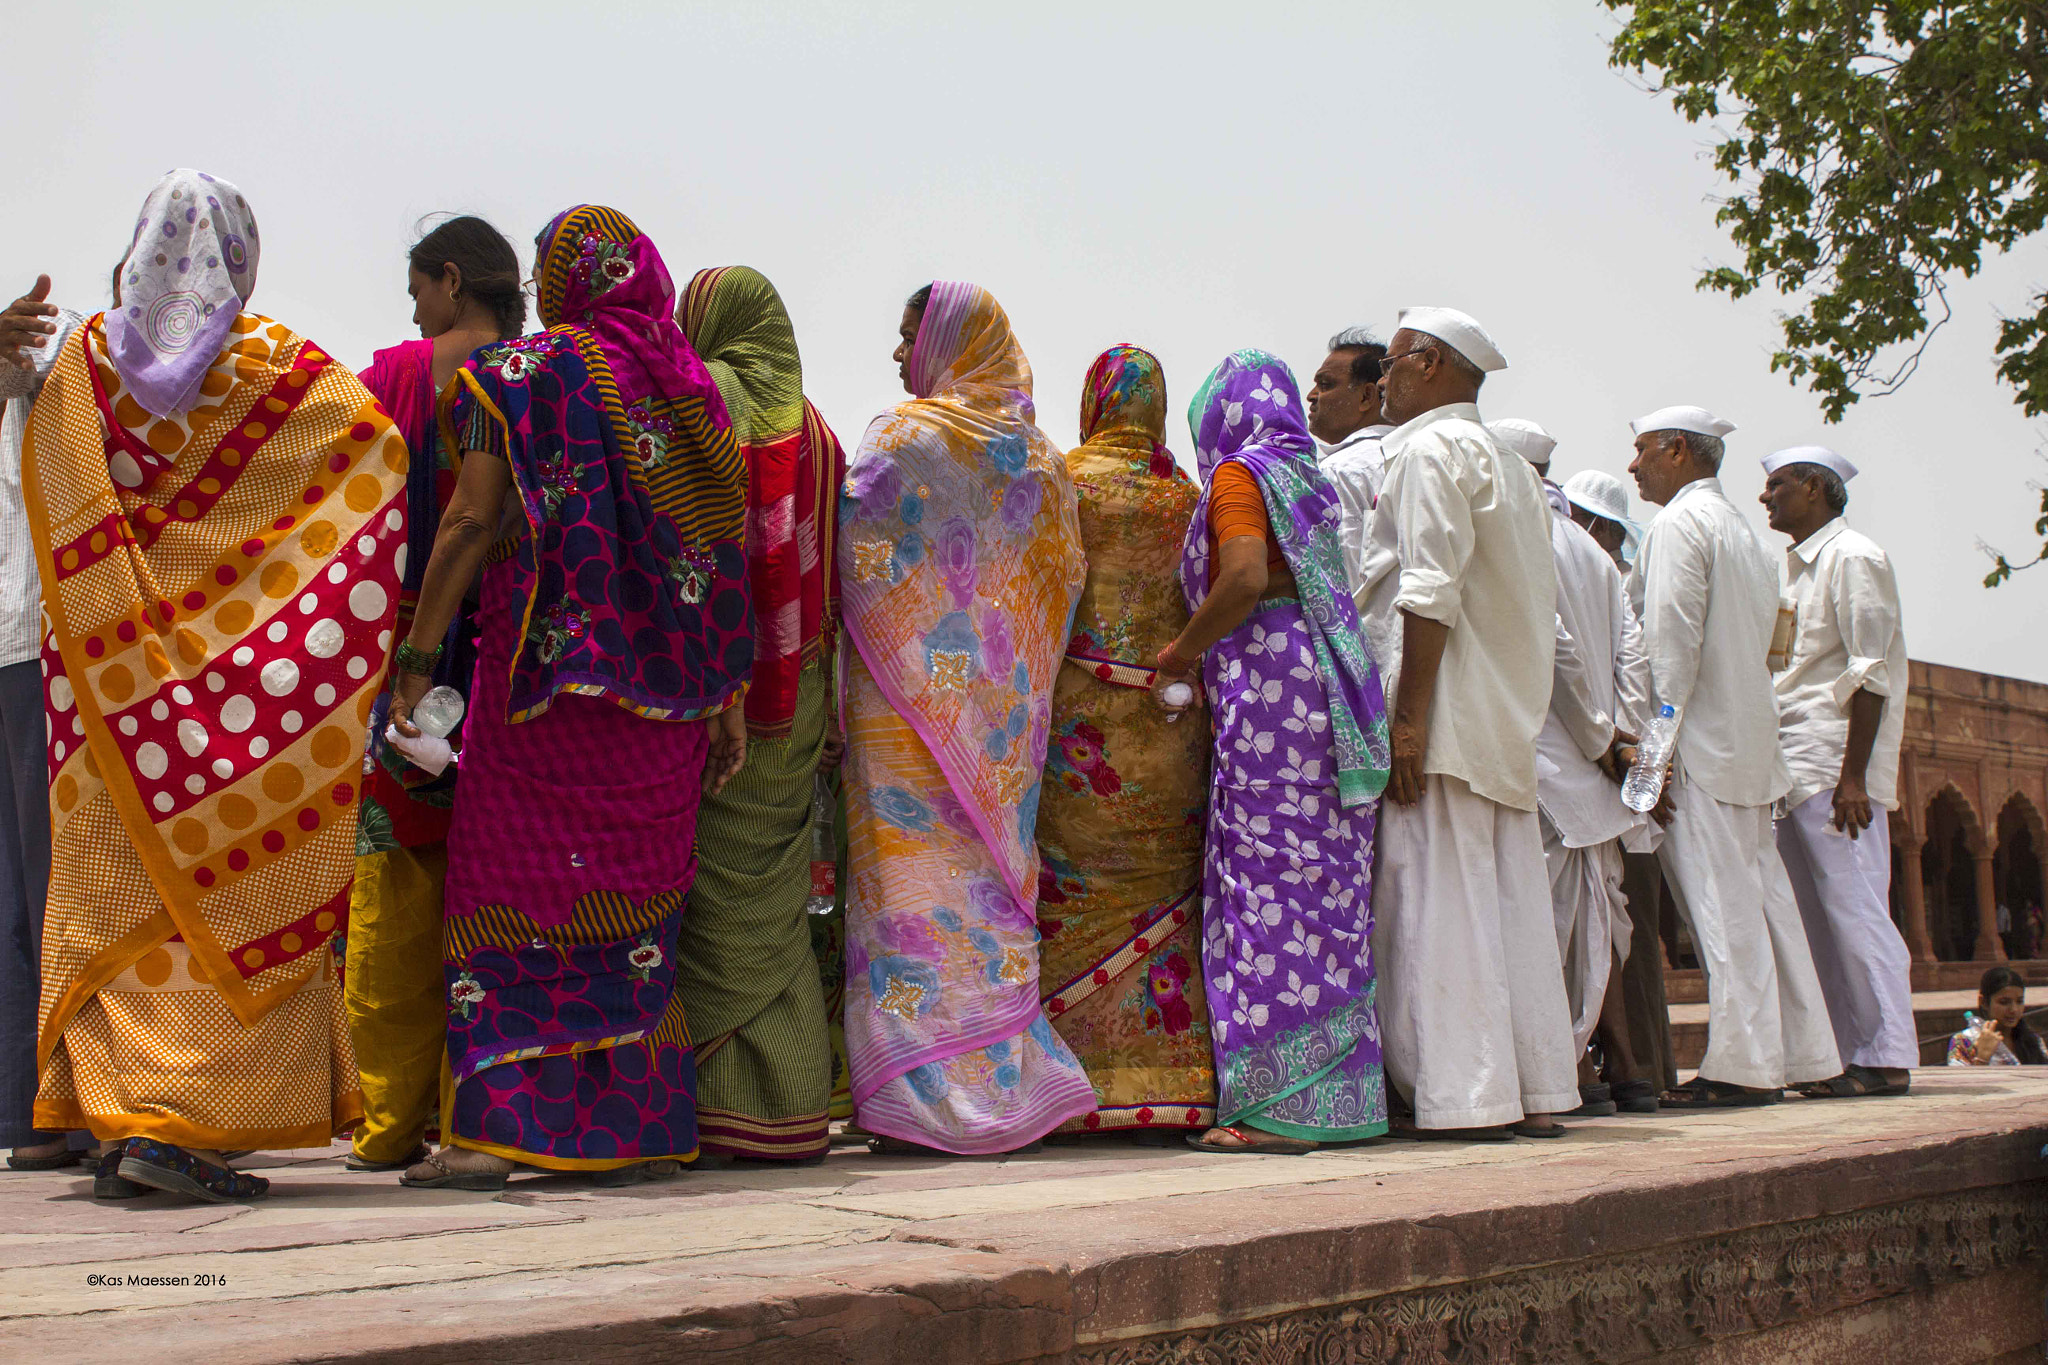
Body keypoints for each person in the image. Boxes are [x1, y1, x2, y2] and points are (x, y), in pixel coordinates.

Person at [25, 169, 405, 1202]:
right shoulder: (282, 373)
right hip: (247, 722)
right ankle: (179, 1133)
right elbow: (374, 464)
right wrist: (259, 627)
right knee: (227, 892)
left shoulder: (80, 370)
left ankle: (122, 1124)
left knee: (117, 902)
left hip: (104, 709)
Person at [388, 205, 751, 1191]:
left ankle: (487, 1134)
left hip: (541, 700)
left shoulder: (516, 378)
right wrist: (724, 698)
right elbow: (716, 549)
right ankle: (627, 1130)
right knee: (631, 915)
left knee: (507, 893)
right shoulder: (695, 400)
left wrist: (416, 662)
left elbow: (468, 522)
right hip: (664, 715)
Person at [838, 280, 1096, 1155]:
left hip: (901, 716)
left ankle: (915, 1099)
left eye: (909, 334)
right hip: (1001, 728)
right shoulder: (1046, 460)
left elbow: (854, 544)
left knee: (904, 899)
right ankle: (1003, 1084)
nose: (898, 354)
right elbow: (1060, 583)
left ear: (946, 341)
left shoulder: (903, 436)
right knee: (982, 898)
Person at [1149, 350, 1390, 1154]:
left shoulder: (1240, 477)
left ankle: (1275, 1109)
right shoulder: (1309, 476)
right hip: (1322, 688)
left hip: (1271, 693)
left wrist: (1182, 651)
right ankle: (1338, 1098)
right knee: (1322, 892)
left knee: (1265, 886)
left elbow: (1246, 576)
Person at [1356, 308, 1579, 1141]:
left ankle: (1465, 1095)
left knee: (1437, 909)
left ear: (1435, 363)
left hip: (1444, 718)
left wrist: (1406, 723)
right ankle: (1535, 1088)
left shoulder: (1424, 450)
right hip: (1500, 721)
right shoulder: (1513, 469)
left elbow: (1427, 590)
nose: (1385, 379)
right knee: (1509, 909)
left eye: (1397, 362)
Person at [342, 216, 524, 1175]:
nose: (412, 311)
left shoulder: (399, 378)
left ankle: (389, 1122)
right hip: (517, 666)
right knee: (493, 889)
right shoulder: (545, 377)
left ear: (452, 281)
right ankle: (482, 1113)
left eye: (417, 289)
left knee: (393, 887)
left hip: (414, 658)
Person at [673, 265, 847, 1164]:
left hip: (721, 685)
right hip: (804, 687)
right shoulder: (817, 431)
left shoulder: (699, 405)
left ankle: (713, 1104)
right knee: (775, 899)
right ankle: (788, 1107)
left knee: (708, 892)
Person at [1627, 406, 1839, 1107]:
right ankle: (1809, 1054)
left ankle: (1744, 1066)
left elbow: (1670, 646)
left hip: (1703, 746)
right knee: (1769, 906)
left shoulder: (1681, 525)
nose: (1634, 466)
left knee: (1722, 908)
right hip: (1750, 745)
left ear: (1678, 450)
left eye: (1643, 450)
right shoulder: (1742, 534)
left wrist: (1653, 755)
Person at [1037, 344, 1217, 1140]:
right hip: (1173, 734)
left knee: (1073, 889)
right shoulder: (1186, 494)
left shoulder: (1062, 482)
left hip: (1082, 736)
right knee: (1160, 889)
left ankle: (1069, 1080)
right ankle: (1175, 1078)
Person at [1490, 420, 1658, 1116]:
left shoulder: (1519, 533)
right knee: (1595, 928)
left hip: (1549, 765)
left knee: (1543, 930)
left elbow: (1553, 651)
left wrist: (1596, 740)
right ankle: (1620, 1066)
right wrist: (1626, 750)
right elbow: (1634, 662)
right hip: (1596, 777)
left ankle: (1560, 1070)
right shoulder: (1593, 552)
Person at [1758, 444, 1916, 1099]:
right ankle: (1845, 1051)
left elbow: (1870, 672)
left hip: (1833, 767)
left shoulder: (1853, 558)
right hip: (1794, 765)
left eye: (1779, 485)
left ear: (1818, 489)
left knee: (1854, 909)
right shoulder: (1792, 572)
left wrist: (1855, 777)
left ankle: (1884, 1053)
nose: (1766, 497)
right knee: (1815, 917)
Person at [0, 279, 85, 1172]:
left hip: (27, 643)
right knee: (61, 882)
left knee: (35, 887)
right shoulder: (62, 359)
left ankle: (42, 1112)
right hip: (39, 647)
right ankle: (64, 1106)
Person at [1307, 327, 1393, 595]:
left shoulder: (1341, 471)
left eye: (1326, 384)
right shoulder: (1415, 456)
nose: (1311, 395)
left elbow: (1342, 581)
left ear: (1367, 396)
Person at [1946, 966, 2048, 1065]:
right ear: (1984, 1002)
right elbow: (1959, 1081)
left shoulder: (2034, 1041)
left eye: (2019, 1001)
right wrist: (1982, 1058)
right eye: (2004, 1002)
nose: (2014, 1009)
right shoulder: (1964, 1041)